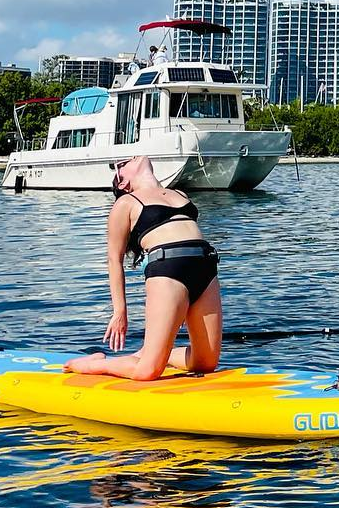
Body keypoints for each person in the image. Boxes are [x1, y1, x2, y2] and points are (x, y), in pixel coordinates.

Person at [65, 156, 222, 379]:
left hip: (205, 270)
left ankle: (157, 354)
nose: (130, 158)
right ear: (122, 183)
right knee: (147, 371)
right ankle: (90, 364)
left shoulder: (179, 195)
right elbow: (113, 259)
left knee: (206, 362)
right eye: (122, 164)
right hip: (168, 272)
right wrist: (120, 311)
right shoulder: (126, 204)